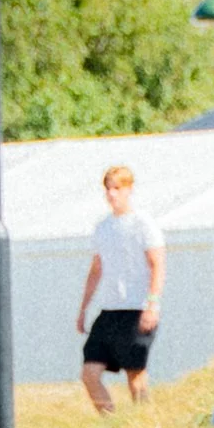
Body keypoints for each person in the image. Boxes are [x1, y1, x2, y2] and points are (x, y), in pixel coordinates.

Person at [77, 165, 164, 410]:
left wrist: (152, 305)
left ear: (128, 189)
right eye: (108, 188)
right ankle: (111, 422)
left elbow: (157, 264)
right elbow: (96, 269)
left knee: (135, 374)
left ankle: (142, 423)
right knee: (89, 373)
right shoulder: (103, 227)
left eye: (117, 188)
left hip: (137, 308)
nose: (111, 194)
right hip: (110, 311)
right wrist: (83, 309)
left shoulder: (143, 224)